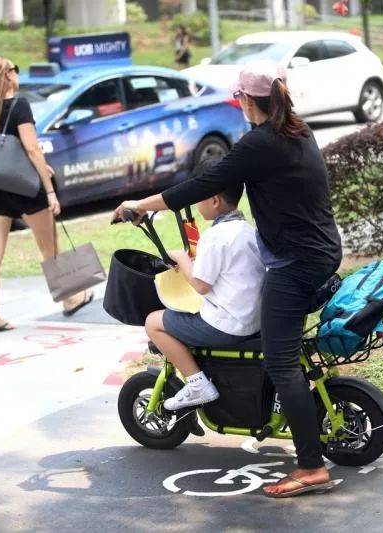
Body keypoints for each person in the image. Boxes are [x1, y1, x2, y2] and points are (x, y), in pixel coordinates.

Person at [113, 60, 342, 498]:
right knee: (278, 348)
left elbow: (201, 185)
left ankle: (311, 467)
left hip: (295, 265)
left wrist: (140, 205)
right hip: (321, 253)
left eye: (238, 96)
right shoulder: (298, 132)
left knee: (281, 362)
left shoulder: (261, 142)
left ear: (246, 100)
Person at [0, 57, 92, 334]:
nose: (17, 74)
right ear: (7, 76)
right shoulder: (19, 104)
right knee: (48, 245)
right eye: (15, 69)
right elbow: (32, 149)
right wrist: (50, 190)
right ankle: (69, 299)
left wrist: (40, 166)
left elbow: (4, 146)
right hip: (24, 186)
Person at [145, 177, 265, 411]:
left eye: (199, 196)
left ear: (214, 200)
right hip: (253, 321)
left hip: (227, 326)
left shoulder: (215, 236)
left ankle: (197, 384)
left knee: (153, 323)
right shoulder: (249, 231)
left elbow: (201, 286)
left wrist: (181, 258)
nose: (196, 202)